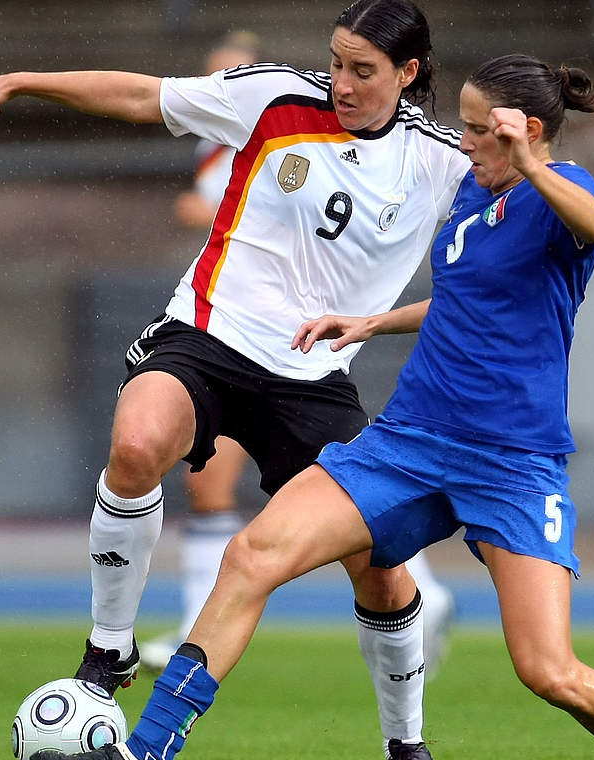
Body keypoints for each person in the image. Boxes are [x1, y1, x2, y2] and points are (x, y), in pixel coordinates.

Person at [34, 54, 594, 760]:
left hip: (513, 465)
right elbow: (466, 302)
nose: (466, 140)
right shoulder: (468, 198)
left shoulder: (562, 192)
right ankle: (149, 747)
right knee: (252, 556)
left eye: (481, 128)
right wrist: (371, 322)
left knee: (549, 672)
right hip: (410, 443)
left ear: (524, 132)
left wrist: (527, 165)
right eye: (464, 124)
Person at [0, 2, 467, 758]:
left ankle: (406, 743)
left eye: (363, 70)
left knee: (383, 570)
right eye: (336, 62)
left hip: (314, 379)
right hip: (209, 337)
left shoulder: (440, 160)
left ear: (408, 73)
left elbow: (525, 223)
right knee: (136, 443)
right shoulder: (274, 99)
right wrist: (25, 80)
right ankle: (108, 651)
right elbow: (142, 96)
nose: (342, 83)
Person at [148, 26, 456, 677]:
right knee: (210, 488)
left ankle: (423, 593)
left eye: (234, 67)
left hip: (295, 352)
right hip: (235, 334)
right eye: (217, 69)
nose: (225, 79)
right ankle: (192, 621)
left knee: (352, 517)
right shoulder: (228, 141)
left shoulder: (290, 127)